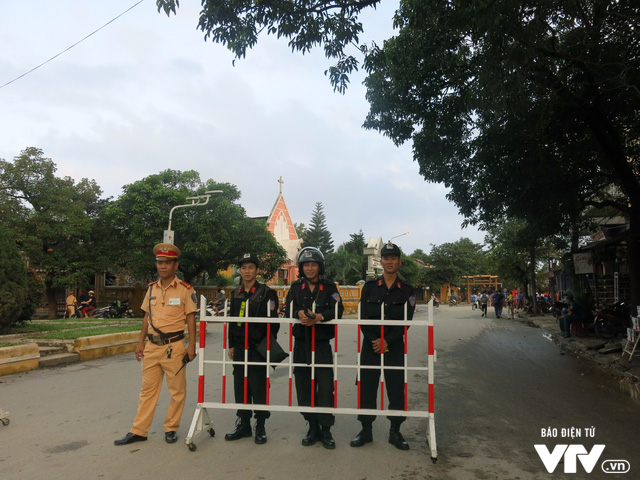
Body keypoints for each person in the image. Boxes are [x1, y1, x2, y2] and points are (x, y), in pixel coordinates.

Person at [114, 243, 198, 446]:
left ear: (175, 265)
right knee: (147, 391)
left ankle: (171, 427)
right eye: (160, 262)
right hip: (151, 347)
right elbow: (146, 318)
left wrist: (191, 346)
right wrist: (140, 342)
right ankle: (139, 430)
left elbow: (191, 319)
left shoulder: (185, 290)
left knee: (177, 391)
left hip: (174, 346)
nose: (163, 266)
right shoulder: (151, 288)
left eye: (167, 263)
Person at [350, 242, 415, 451]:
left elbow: (407, 322)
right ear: (381, 261)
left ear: (399, 262)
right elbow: (363, 318)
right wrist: (374, 341)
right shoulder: (369, 287)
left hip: (394, 347)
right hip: (371, 346)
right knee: (367, 387)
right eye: (385, 258)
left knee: (396, 388)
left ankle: (395, 431)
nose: (389, 261)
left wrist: (387, 341)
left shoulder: (407, 291)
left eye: (393, 258)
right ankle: (365, 430)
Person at [284, 247, 343, 449]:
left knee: (325, 387)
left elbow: (338, 309)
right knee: (304, 387)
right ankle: (312, 426)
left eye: (313, 264)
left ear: (320, 266)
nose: (310, 268)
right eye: (306, 264)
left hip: (321, 345)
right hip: (301, 344)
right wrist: (299, 313)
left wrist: (320, 317)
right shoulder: (295, 288)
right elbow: (287, 309)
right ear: (301, 267)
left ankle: (326, 429)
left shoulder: (329, 287)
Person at [224, 253, 279, 445]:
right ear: (240, 270)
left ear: (257, 271)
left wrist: (263, 345)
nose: (247, 271)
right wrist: (231, 344)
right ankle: (244, 424)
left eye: (251, 267)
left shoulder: (266, 293)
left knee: (258, 387)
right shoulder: (236, 293)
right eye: (244, 267)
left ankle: (261, 425)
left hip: (257, 348)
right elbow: (232, 321)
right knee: (241, 386)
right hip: (239, 348)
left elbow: (273, 324)